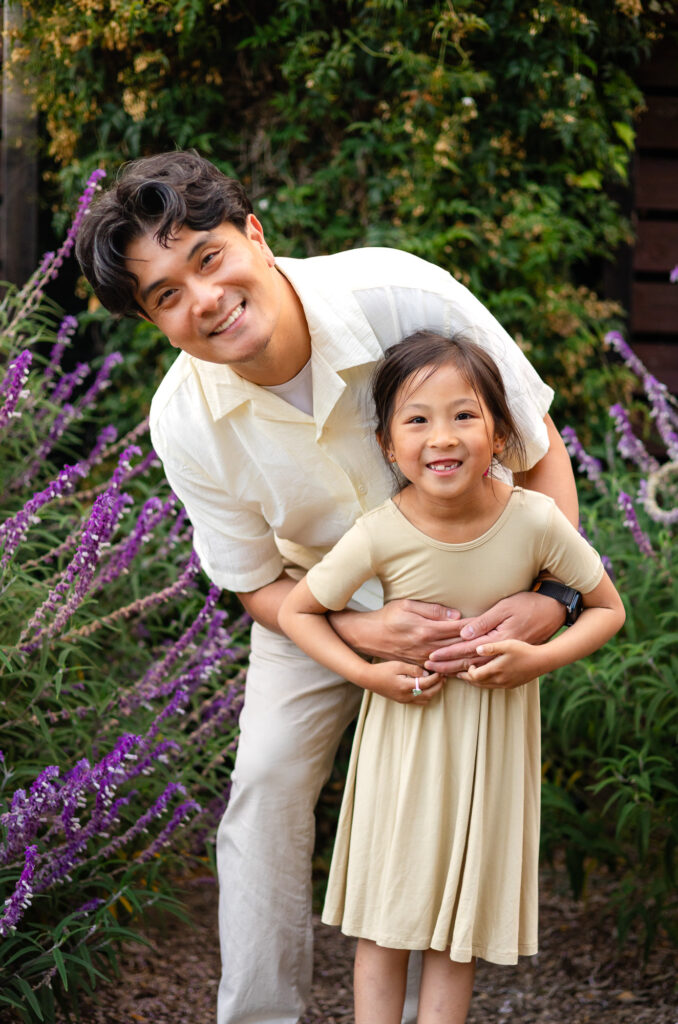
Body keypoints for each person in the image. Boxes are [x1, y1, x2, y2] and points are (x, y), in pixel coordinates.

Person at [76, 149, 583, 1024]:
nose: (203, 299)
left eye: (207, 258)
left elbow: (538, 452)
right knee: (266, 784)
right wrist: (359, 638)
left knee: (455, 794)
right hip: (311, 602)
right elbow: (253, 583)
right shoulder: (185, 421)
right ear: (155, 320)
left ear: (255, 236)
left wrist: (552, 599)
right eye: (165, 295)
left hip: (474, 583)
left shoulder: (402, 297)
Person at [279, 331, 625, 1024]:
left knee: (456, 935)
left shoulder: (535, 520)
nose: (443, 436)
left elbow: (606, 609)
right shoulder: (381, 532)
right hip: (403, 748)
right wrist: (365, 675)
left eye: (464, 415)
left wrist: (539, 657)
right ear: (387, 444)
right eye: (417, 419)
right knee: (386, 922)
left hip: (490, 754)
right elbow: (298, 610)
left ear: (499, 432)